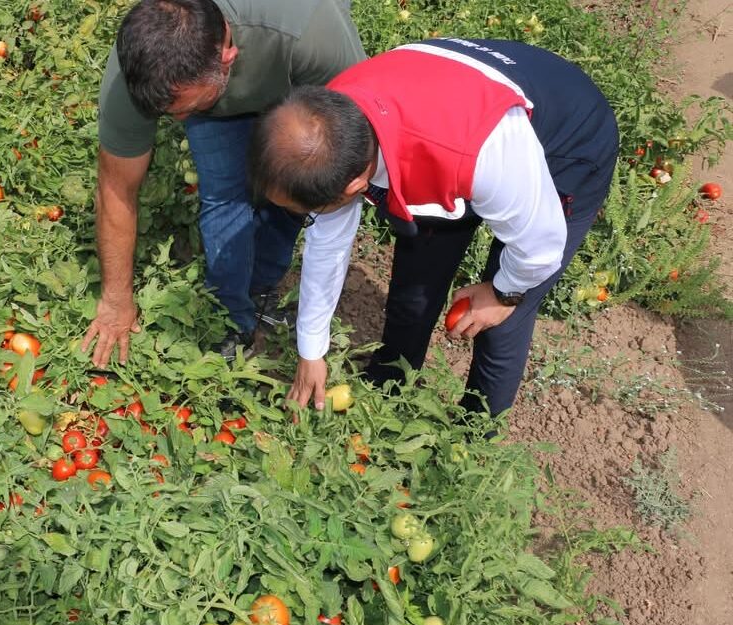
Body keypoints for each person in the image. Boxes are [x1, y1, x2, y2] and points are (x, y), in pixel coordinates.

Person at [247, 37, 619, 419]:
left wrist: (505, 292)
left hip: (566, 139)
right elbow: (327, 243)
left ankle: (474, 433)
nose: (306, 220)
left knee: (501, 320)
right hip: (458, 122)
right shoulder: (329, 126)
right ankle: (388, 387)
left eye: (306, 212)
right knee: (415, 284)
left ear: (354, 187)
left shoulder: (480, 152)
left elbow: (540, 246)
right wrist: (312, 351)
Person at [79, 0, 366, 365]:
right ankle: (231, 316)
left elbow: (352, 136)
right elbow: (117, 188)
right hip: (225, 81)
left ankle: (261, 286)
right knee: (224, 193)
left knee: (295, 181)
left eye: (186, 108)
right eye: (169, 113)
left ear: (227, 56)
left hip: (293, 76)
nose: (178, 120)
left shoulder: (310, 35)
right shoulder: (139, 62)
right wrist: (116, 300)